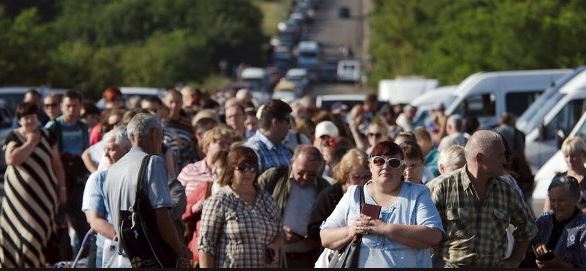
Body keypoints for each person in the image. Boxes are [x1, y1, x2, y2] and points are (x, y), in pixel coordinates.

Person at [320, 141, 444, 268]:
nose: (385, 167)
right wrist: (352, 230)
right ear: (370, 166)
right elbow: (325, 237)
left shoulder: (417, 193)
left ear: (402, 169)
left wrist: (385, 228)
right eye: (379, 161)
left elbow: (434, 235)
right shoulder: (354, 194)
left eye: (393, 162)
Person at [427, 130, 537, 267]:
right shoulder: (441, 187)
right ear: (480, 158)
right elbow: (421, 234)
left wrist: (514, 260)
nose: (504, 161)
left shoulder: (507, 190)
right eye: (500, 156)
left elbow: (528, 228)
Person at [102, 113, 191, 267]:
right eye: (161, 134)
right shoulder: (152, 162)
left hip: (125, 256)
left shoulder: (113, 169)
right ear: (154, 133)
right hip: (152, 256)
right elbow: (162, 216)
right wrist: (179, 249)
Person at [0, 102, 66, 267]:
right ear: (19, 120)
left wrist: (62, 188)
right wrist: (31, 142)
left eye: (33, 117)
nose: (30, 121)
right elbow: (12, 160)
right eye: (26, 118)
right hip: (18, 200)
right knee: (14, 235)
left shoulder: (47, 135)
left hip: (44, 199)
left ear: (37, 118)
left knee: (36, 235)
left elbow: (57, 164)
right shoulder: (13, 136)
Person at [198, 146, 283, 268]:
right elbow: (206, 246)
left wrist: (277, 242)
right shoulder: (219, 201)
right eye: (242, 168)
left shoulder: (267, 199)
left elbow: (280, 232)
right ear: (231, 169)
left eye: (252, 168)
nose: (248, 172)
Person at [257, 145, 329, 267]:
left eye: (311, 174)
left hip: (308, 258)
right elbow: (252, 211)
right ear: (292, 162)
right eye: (301, 172)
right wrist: (278, 229)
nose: (305, 178)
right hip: (274, 256)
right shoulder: (273, 178)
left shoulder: (324, 188)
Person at [177, 126, 236, 265]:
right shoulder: (190, 170)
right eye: (221, 143)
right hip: (195, 236)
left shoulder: (233, 175)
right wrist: (195, 207)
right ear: (207, 145)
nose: (225, 148)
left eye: (228, 144)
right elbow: (176, 204)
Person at [45, 90, 91, 256]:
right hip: (58, 183)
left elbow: (86, 152)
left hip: (78, 181)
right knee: (58, 226)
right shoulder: (52, 127)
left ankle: (80, 260)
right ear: (62, 107)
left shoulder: (83, 127)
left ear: (80, 107)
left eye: (75, 106)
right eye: (68, 106)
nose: (71, 109)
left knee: (82, 226)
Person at [81, 126, 131, 267]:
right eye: (105, 150)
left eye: (111, 149)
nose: (106, 155)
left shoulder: (140, 176)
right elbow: (94, 219)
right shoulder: (99, 179)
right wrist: (124, 238)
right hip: (109, 250)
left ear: (127, 150)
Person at [307, 148, 370, 246]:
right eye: (356, 177)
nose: (362, 181)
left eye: (366, 176)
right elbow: (313, 229)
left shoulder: (371, 193)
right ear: (345, 174)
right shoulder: (330, 195)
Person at [528, 175, 586, 268]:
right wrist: (536, 247)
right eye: (552, 200)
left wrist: (560, 265)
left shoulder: (583, 226)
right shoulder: (544, 220)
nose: (556, 205)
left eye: (561, 200)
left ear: (575, 199)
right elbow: (526, 243)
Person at [244, 99, 293, 172]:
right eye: (288, 121)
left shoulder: (286, 150)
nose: (290, 126)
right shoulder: (252, 151)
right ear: (275, 122)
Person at [544, 136, 586, 213]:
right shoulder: (558, 179)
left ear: (583, 154)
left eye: (573, 155)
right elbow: (547, 210)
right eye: (566, 156)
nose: (569, 160)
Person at [162, 89, 197, 175]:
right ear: (164, 102)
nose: (174, 105)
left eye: (177, 102)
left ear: (182, 103)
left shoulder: (189, 123)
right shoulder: (160, 124)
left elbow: (194, 145)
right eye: (171, 102)